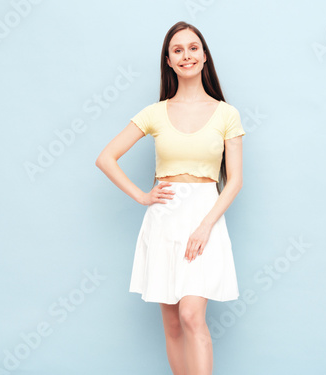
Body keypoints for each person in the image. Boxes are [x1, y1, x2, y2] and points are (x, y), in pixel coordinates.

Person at [95, 21, 245, 375]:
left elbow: (235, 180)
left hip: (205, 218)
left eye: (193, 48)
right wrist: (142, 196)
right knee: (173, 324)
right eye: (178, 50)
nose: (186, 55)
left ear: (204, 56)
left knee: (192, 315)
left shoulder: (226, 113)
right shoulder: (155, 112)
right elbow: (105, 158)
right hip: (164, 219)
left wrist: (206, 225)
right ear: (168, 60)